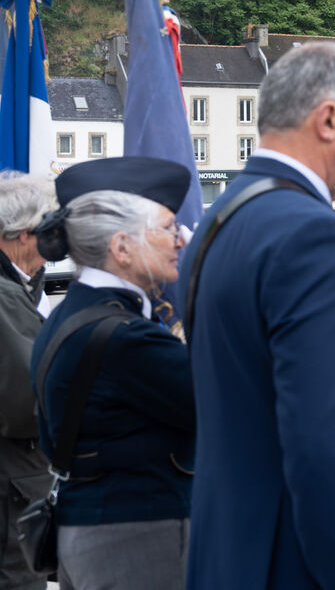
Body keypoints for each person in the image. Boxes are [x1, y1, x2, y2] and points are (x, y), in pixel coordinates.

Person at [182, 41, 335, 589]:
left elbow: (254, 396)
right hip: (295, 566)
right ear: (328, 119)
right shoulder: (310, 235)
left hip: (232, 556)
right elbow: (326, 454)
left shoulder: (222, 219)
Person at [29, 157, 195, 590]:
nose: (181, 240)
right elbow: (222, 401)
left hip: (97, 527)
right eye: (168, 227)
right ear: (122, 248)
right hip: (136, 535)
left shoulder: (72, 314)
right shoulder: (127, 338)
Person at [0, 174, 56, 590]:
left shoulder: (17, 286)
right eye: (49, 234)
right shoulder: (6, 295)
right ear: (23, 234)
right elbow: (28, 399)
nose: (54, 248)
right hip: (13, 479)